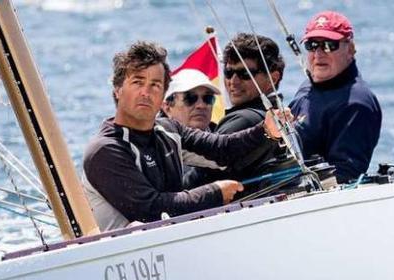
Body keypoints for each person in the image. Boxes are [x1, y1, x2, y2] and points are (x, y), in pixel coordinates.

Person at [82, 40, 286, 231]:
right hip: (127, 259)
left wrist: (266, 130)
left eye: (155, 84)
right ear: (118, 90)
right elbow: (150, 211)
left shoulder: (169, 131)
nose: (146, 92)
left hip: (172, 245)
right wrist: (214, 193)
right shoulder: (105, 150)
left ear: (163, 94)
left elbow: (222, 150)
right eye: (137, 82)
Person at [289, 11, 382, 183]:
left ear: (351, 49)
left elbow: (343, 176)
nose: (318, 54)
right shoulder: (309, 86)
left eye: (329, 45)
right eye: (312, 45)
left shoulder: (357, 104)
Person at [216, 33, 286, 175]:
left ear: (273, 78)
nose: (233, 82)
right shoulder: (282, 119)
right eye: (228, 72)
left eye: (245, 74)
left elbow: (196, 177)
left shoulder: (244, 121)